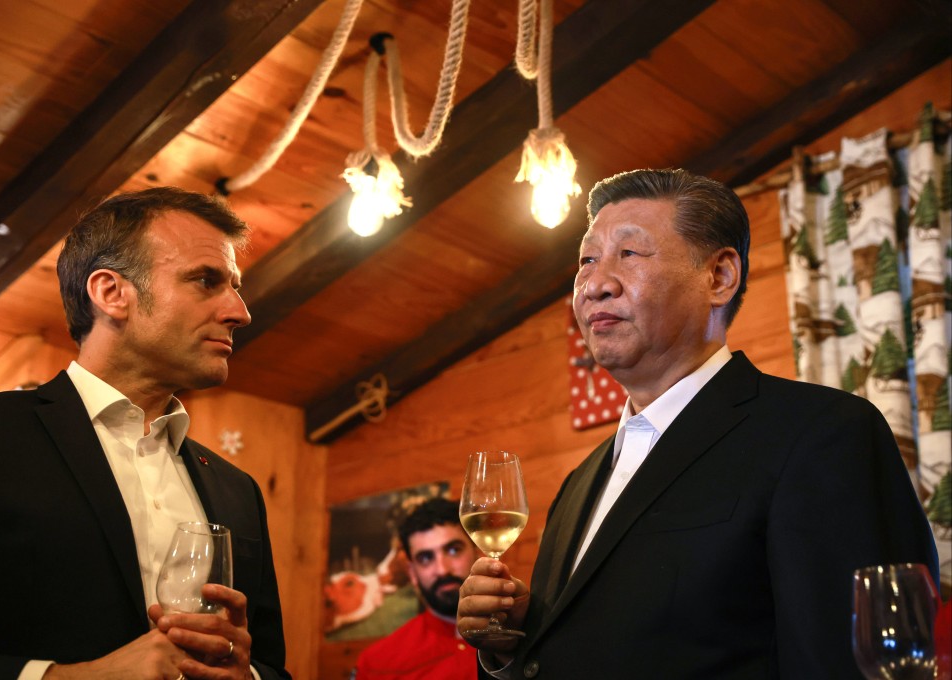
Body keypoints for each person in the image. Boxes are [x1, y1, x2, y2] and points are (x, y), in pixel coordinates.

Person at [456, 168, 939, 678]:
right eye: (587, 260)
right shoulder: (579, 483)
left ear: (719, 277)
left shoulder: (823, 433)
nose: (595, 283)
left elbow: (859, 663)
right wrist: (511, 647)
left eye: (630, 253)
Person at [0, 187, 290, 679]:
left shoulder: (238, 490)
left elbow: (271, 663)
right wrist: (63, 678)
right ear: (110, 293)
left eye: (235, 286)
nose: (240, 312)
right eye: (206, 281)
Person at [353, 497, 477, 679]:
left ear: (478, 552)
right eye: (426, 558)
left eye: (453, 550)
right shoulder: (376, 664)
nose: (442, 570)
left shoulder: (524, 638)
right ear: (412, 573)